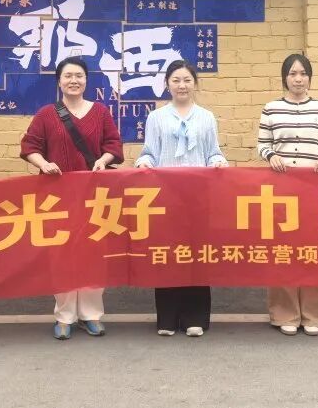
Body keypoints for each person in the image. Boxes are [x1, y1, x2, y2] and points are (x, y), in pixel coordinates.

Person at [20, 56, 124, 340]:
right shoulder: (46, 114)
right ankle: (64, 316)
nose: (74, 80)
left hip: (94, 196)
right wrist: (43, 164)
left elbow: (114, 144)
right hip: (57, 198)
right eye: (68, 76)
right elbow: (30, 146)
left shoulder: (100, 112)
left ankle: (91, 314)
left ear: (86, 80)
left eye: (79, 75)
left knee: (93, 254)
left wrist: (103, 160)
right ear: (59, 81)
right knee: (61, 256)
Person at [135, 60, 227, 337]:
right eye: (176, 80)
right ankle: (167, 317)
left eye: (187, 80)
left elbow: (213, 152)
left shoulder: (206, 117)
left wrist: (218, 162)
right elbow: (150, 152)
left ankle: (195, 317)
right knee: (167, 254)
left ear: (195, 83)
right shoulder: (156, 117)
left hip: (198, 197)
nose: (182, 85)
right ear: (167, 84)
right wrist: (144, 163)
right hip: (166, 196)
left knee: (197, 254)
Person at [257, 53, 318, 336]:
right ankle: (284, 313)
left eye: (303, 73)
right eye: (293, 74)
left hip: (313, 189)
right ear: (285, 78)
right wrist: (271, 156)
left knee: (313, 250)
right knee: (283, 250)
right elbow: (262, 144)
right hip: (282, 189)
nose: (298, 79)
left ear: (310, 77)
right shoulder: (271, 108)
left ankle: (315, 315)